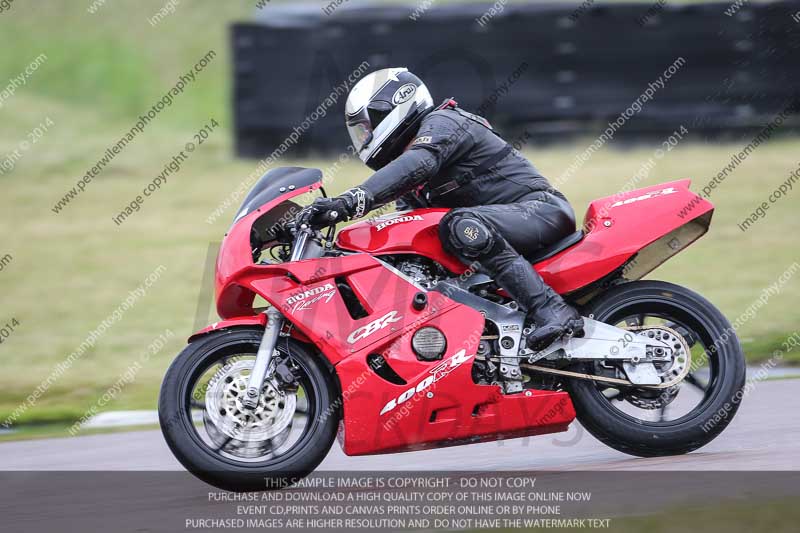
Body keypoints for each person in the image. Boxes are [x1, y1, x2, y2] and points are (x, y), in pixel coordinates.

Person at [299, 67, 583, 351]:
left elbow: (418, 163)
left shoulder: (444, 121)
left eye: (367, 128)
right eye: (360, 132)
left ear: (396, 105)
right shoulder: (416, 182)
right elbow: (404, 224)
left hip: (539, 211)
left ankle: (550, 309)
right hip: (503, 227)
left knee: (459, 225)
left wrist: (351, 200)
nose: (365, 137)